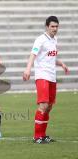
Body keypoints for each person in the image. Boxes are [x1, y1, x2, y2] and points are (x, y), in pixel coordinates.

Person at [23, 16, 69, 144]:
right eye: (52, 26)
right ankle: (37, 136)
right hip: (42, 76)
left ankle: (43, 135)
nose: (55, 29)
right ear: (47, 26)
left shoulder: (55, 40)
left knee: (49, 107)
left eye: (56, 26)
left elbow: (51, 57)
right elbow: (33, 54)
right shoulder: (40, 40)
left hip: (52, 77)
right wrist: (28, 69)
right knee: (43, 105)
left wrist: (61, 64)